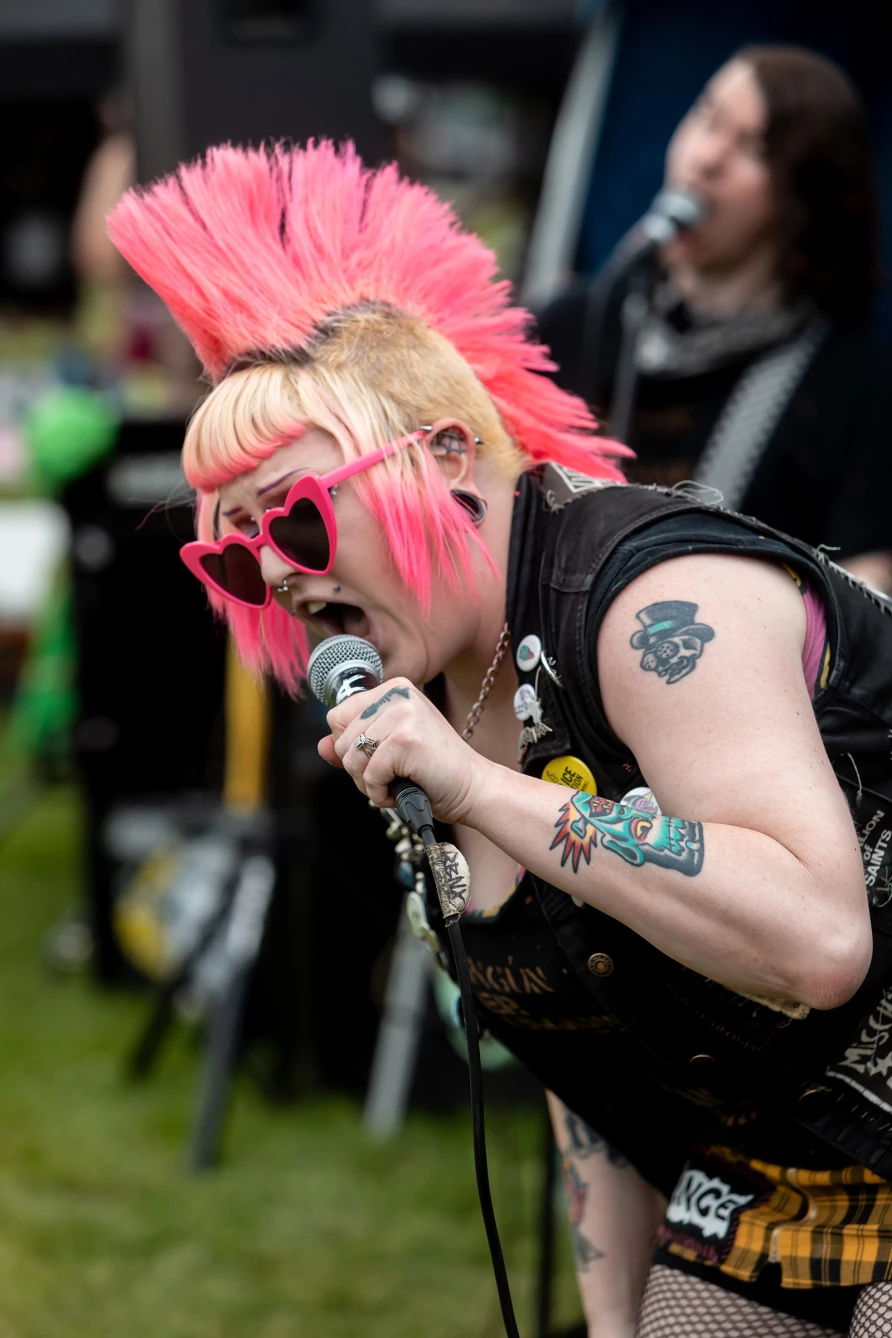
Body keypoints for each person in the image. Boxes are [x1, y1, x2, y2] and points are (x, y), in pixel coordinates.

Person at [108, 141, 892, 1337]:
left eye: (299, 519)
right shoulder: (430, 701)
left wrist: (480, 790)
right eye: (236, 556)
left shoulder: (650, 610)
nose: (277, 572)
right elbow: (591, 1046)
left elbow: (820, 938)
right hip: (786, 1147)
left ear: (445, 456)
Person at [538, 46, 892, 593]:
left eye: (752, 147)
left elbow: (869, 589)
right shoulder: (576, 324)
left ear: (804, 199)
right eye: (708, 117)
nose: (706, 158)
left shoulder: (855, 376)